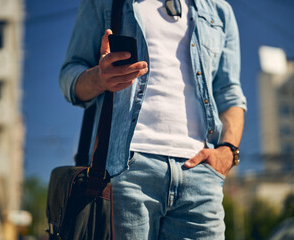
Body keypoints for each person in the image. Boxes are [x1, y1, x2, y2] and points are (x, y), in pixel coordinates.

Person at [59, 0, 247, 238]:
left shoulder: (219, 10)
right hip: (126, 171)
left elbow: (229, 93)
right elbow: (69, 75)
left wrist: (228, 151)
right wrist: (100, 77)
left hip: (201, 175)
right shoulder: (103, 3)